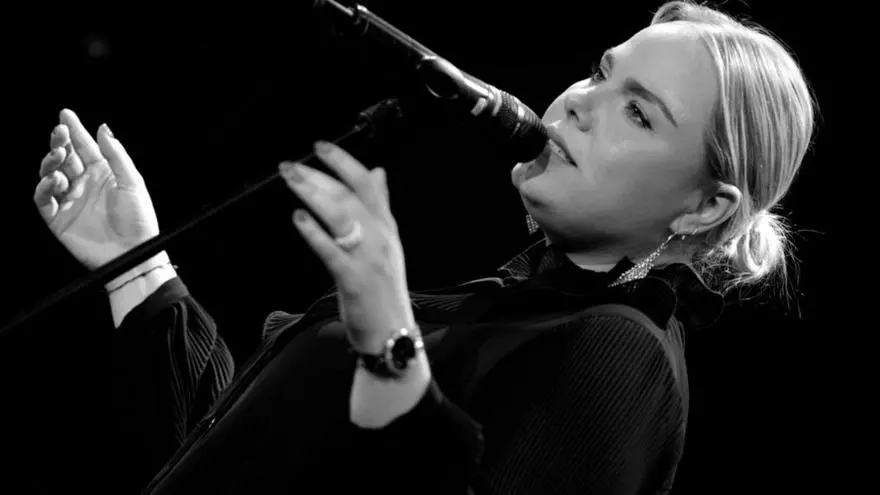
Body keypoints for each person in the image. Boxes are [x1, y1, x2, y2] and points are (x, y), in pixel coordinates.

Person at [33, 1, 815, 493]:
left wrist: (390, 351)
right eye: (599, 74)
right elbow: (242, 460)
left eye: (638, 113)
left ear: (705, 207)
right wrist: (140, 267)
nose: (579, 103)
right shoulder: (508, 310)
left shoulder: (622, 352)